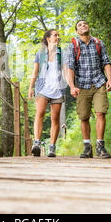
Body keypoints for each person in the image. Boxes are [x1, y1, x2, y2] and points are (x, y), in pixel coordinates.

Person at [67, 20, 111, 158]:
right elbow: (70, 67)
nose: (83, 26)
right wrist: (72, 86)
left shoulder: (98, 43)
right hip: (82, 85)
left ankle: (100, 146)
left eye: (85, 24)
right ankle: (87, 147)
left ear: (89, 27)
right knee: (84, 116)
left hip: (99, 82)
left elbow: (106, 62)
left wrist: (109, 79)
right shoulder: (73, 46)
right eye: (80, 25)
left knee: (101, 112)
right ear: (77, 31)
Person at [28, 29, 68, 157]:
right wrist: (31, 87)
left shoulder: (62, 53)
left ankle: (52, 147)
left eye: (58, 35)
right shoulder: (40, 53)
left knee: (54, 118)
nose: (58, 37)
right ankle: (37, 143)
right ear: (48, 38)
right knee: (40, 113)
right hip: (42, 88)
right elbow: (35, 72)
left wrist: (72, 86)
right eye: (55, 35)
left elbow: (66, 72)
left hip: (57, 89)